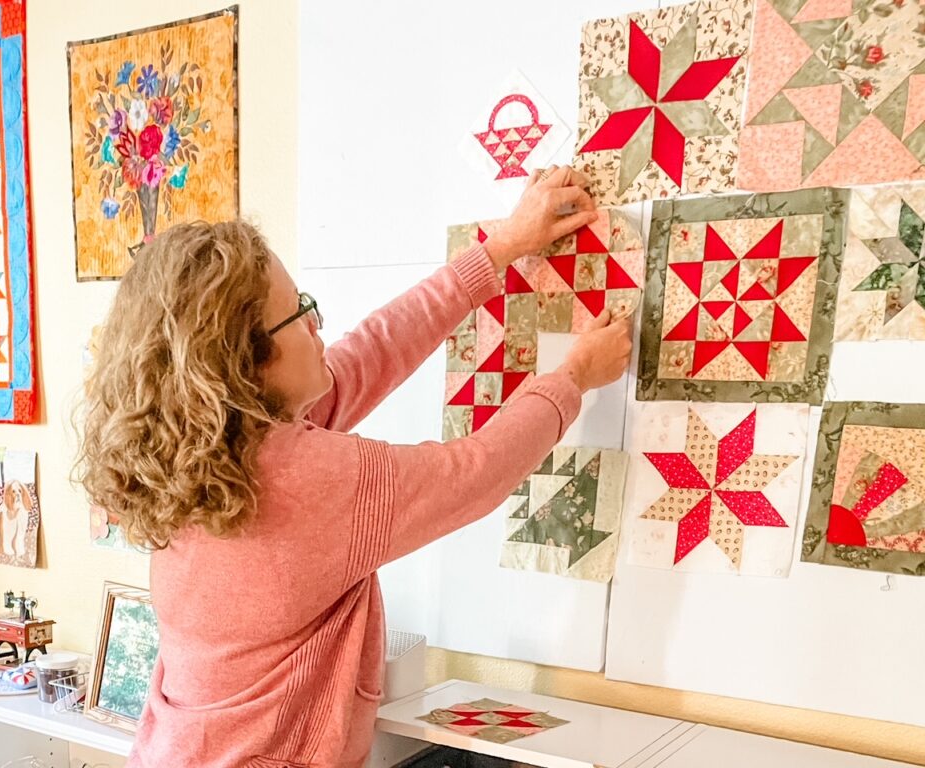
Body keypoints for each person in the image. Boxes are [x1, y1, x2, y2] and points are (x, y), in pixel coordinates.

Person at [78, 165, 632, 767]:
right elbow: (476, 471)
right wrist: (574, 377)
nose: (319, 324)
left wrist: (497, 250)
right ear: (246, 361)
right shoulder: (305, 479)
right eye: (299, 313)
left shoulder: (200, 450)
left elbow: (372, 352)